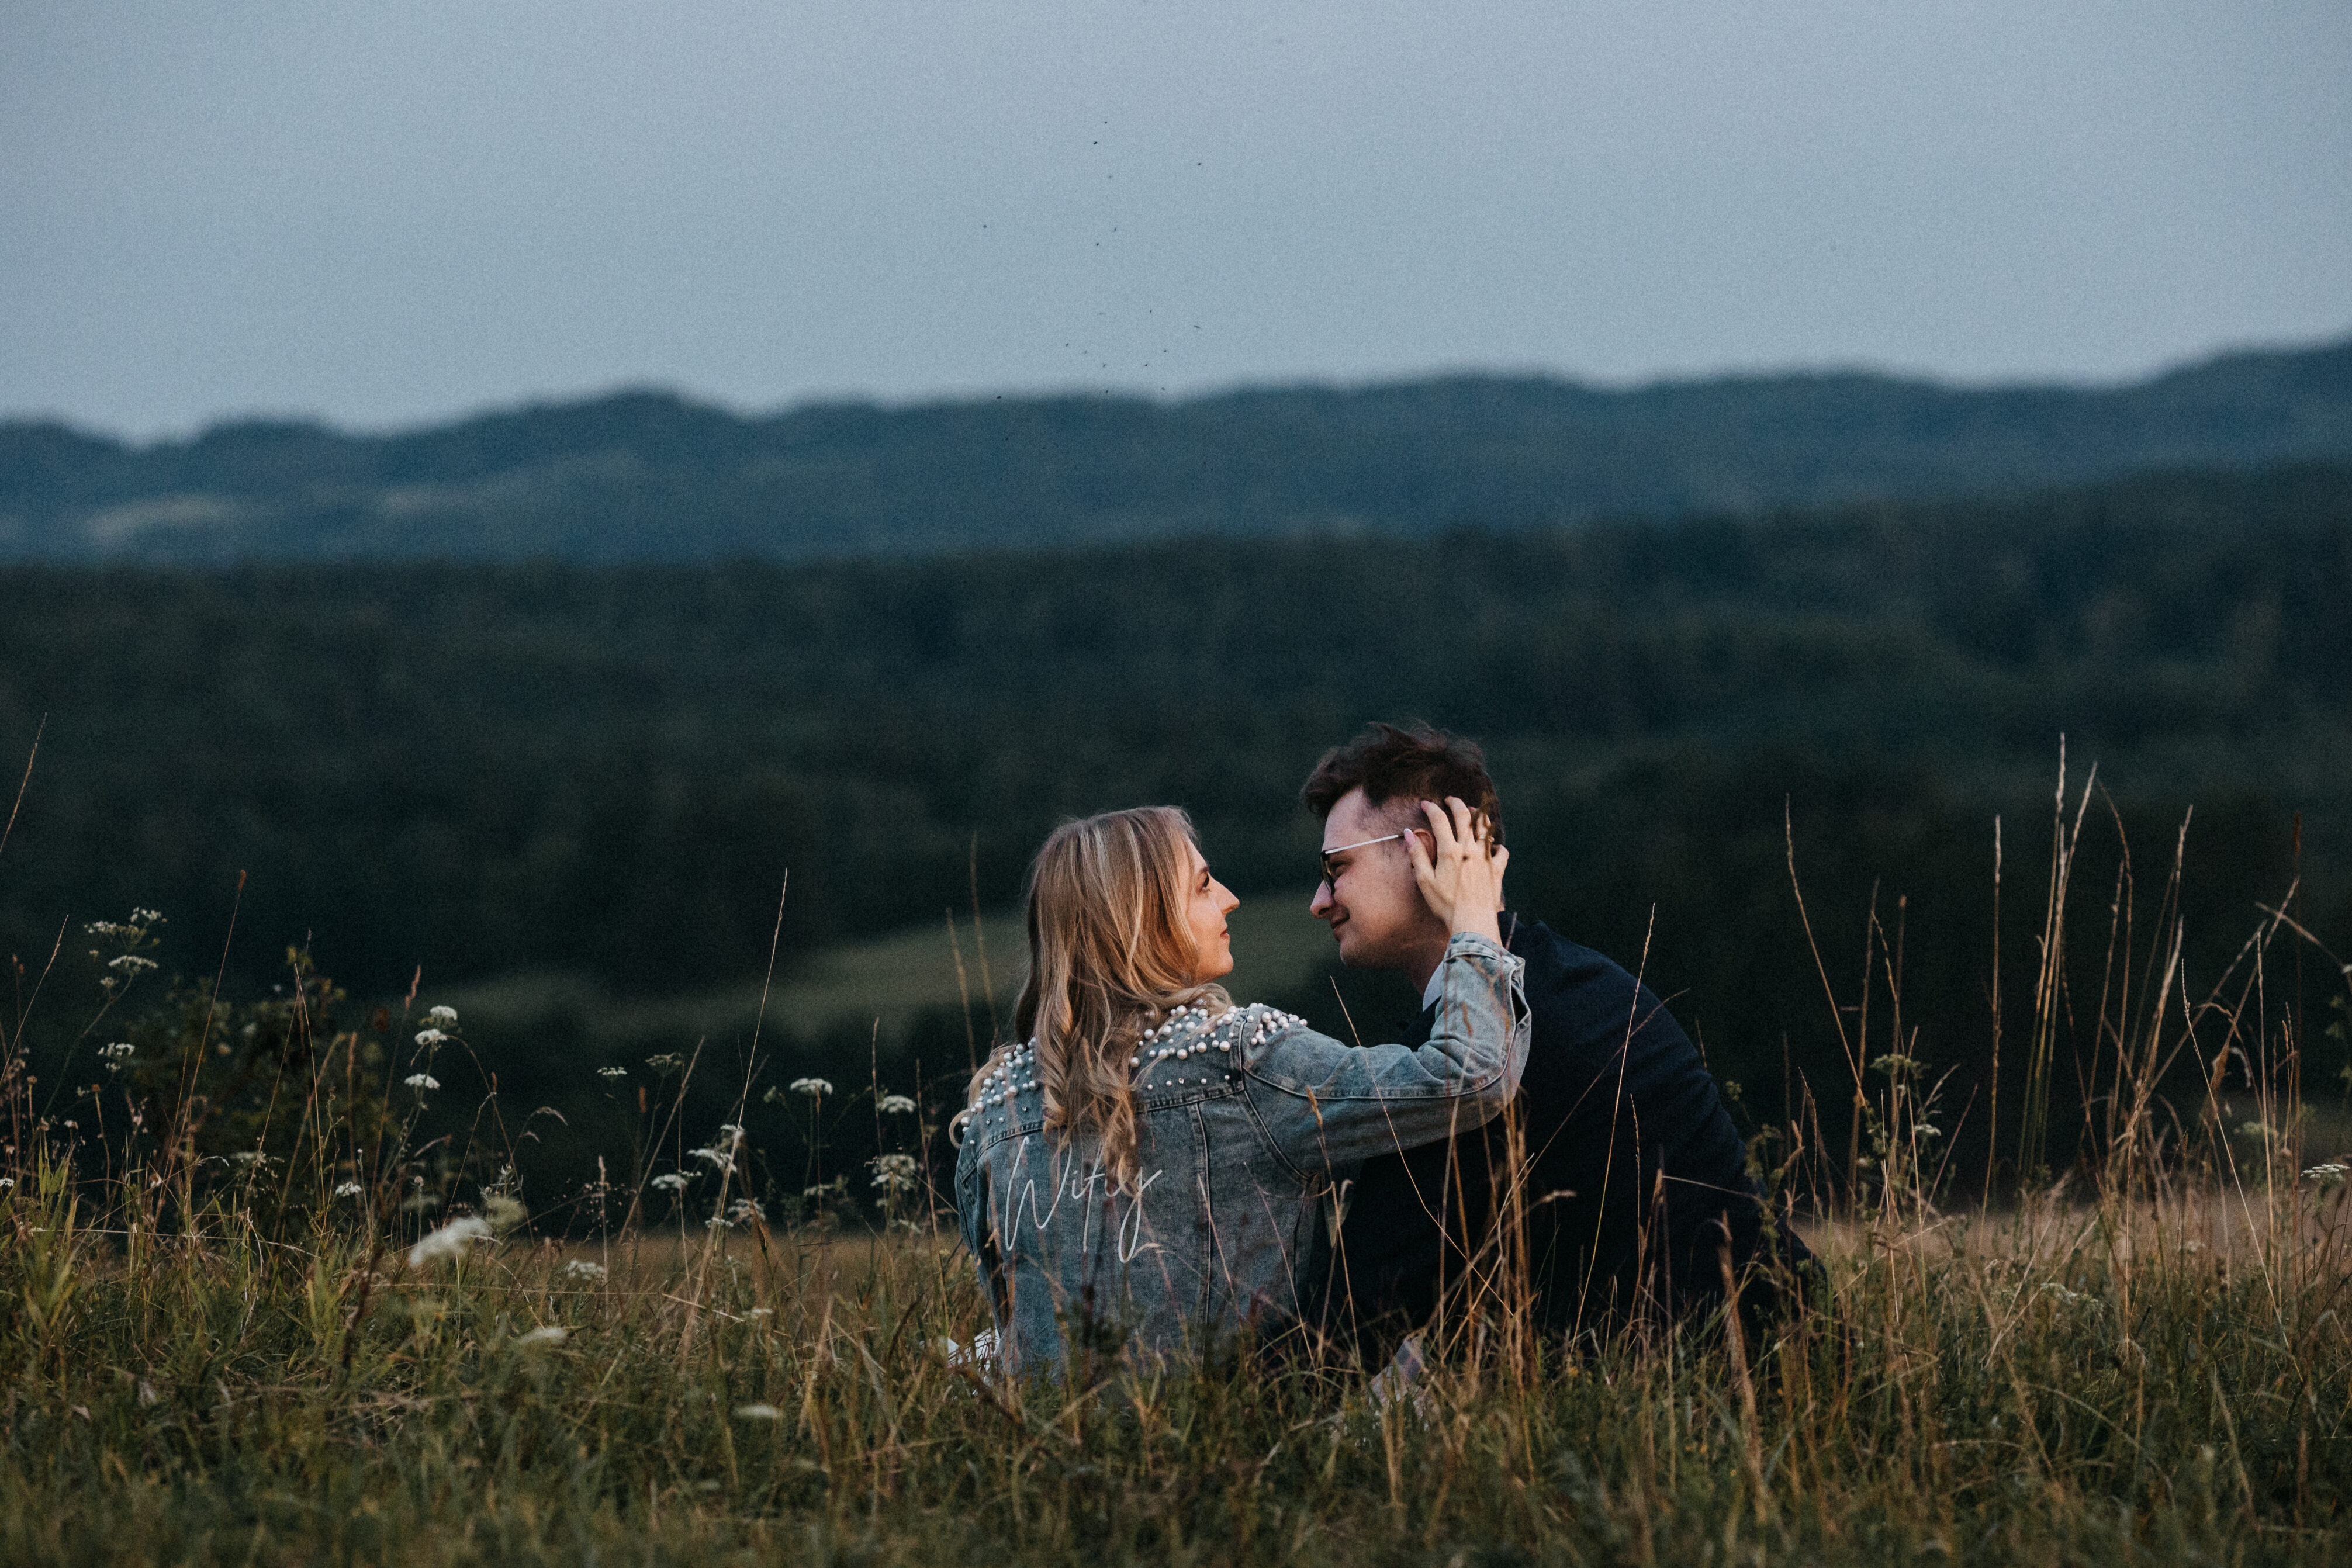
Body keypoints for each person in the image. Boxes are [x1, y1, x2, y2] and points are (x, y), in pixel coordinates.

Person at [952, 801, 1526, 1377]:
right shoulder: (1245, 1060)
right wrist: (1474, 922)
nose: (1229, 897)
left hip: (1056, 1457)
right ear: (1142, 917)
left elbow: (1013, 1329)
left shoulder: (996, 1108)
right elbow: (1469, 1076)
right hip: (1239, 1451)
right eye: (1203, 886)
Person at [1300, 722, 1806, 1363]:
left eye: (1335, 868)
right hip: (1778, 1355)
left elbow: (1352, 1319)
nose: (1320, 901)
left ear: (1425, 852)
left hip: (1717, 1398)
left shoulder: (1495, 1041)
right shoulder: (1576, 976)